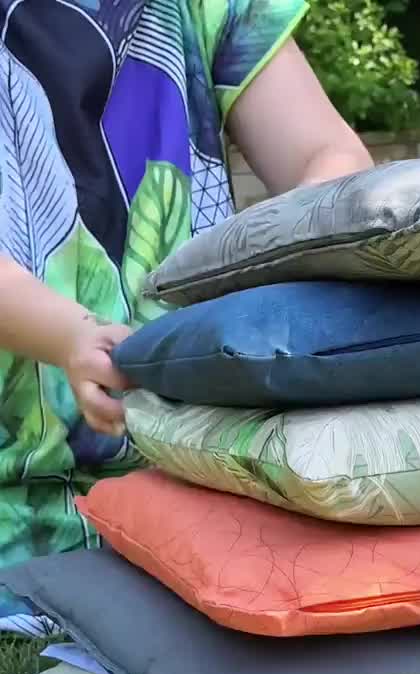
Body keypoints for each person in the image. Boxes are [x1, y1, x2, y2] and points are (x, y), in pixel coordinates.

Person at [0, 0, 372, 631]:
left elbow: (329, 154)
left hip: (202, 495)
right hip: (21, 525)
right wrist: (69, 337)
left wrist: (276, 260)